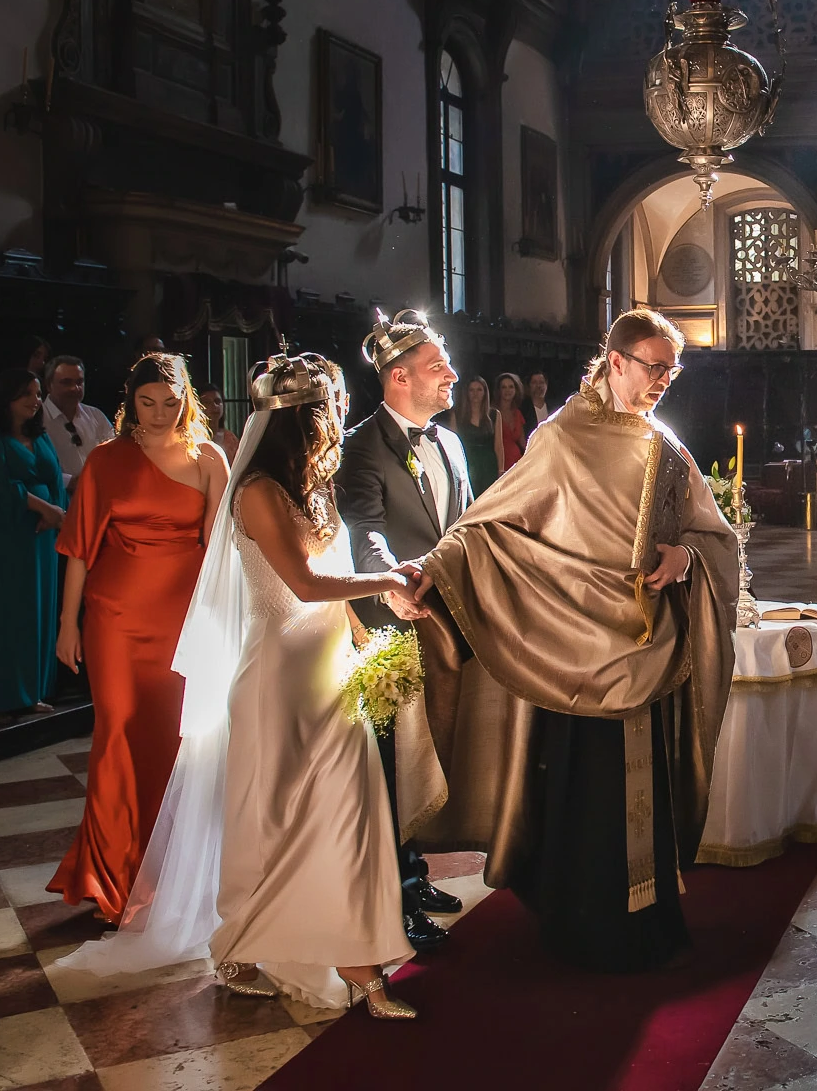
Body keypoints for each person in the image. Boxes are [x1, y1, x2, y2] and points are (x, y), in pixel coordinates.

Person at [55, 353, 436, 1020]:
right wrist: (388, 582)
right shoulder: (257, 490)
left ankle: (358, 957)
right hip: (276, 679)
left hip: (328, 673)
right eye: (332, 409)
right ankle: (238, 946)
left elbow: (333, 572)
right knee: (270, 819)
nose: (340, 419)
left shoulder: (313, 486)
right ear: (302, 420)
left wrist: (365, 632)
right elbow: (303, 583)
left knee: (349, 815)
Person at [393, 309, 737, 972]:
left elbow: (714, 534)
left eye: (673, 368)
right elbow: (494, 523)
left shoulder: (665, 444)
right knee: (582, 789)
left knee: (639, 792)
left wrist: (687, 560)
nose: (666, 379)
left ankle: (644, 925)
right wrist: (434, 568)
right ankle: (579, 923)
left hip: (644, 644)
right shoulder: (558, 438)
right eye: (655, 365)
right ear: (616, 361)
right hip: (571, 649)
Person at [48, 353, 227, 921]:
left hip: (182, 621)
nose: (159, 415)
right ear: (131, 403)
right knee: (116, 735)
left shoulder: (208, 459)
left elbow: (220, 552)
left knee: (173, 742)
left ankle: (167, 872)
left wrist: (222, 623)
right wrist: (65, 624)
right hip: (114, 619)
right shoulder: (106, 461)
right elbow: (78, 548)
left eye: (170, 404)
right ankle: (109, 879)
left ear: (186, 401)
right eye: (147, 403)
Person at [335, 309, 474, 955]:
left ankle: (415, 877)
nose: (452, 374)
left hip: (444, 625)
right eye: (436, 366)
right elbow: (362, 531)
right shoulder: (361, 446)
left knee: (425, 760)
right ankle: (390, 899)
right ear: (397, 378)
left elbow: (467, 527)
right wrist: (389, 579)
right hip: (390, 630)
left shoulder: (448, 442)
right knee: (388, 769)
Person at [0, 368, 66, 724]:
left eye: (37, 395)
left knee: (36, 611)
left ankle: (28, 691)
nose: (35, 402)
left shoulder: (41, 435)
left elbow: (54, 478)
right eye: (27, 395)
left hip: (40, 535)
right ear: (6, 397)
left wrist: (57, 514)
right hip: (2, 531)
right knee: (2, 611)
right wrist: (45, 508)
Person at [45, 356, 116, 487]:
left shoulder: (95, 415)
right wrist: (70, 482)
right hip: (57, 498)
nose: (74, 388)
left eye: (79, 382)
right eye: (66, 382)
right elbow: (34, 466)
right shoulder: (38, 419)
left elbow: (115, 454)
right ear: (49, 385)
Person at [451, 376, 499, 494]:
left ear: (485, 392)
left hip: (488, 463)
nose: (475, 394)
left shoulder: (494, 414)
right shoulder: (457, 414)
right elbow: (452, 443)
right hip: (467, 461)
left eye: (479, 390)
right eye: (471, 390)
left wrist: (501, 469)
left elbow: (499, 445)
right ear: (466, 393)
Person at [198, 384, 241, 463]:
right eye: (207, 402)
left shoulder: (230, 438)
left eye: (217, 401)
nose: (214, 406)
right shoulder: (193, 438)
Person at [495, 372, 528, 472]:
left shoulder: (517, 413)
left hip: (516, 463)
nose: (507, 390)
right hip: (498, 462)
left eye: (511, 387)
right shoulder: (492, 412)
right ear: (499, 390)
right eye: (504, 387)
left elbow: (523, 442)